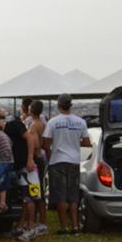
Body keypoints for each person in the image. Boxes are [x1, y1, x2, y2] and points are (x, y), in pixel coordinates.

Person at [42, 93, 91, 234]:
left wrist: (51, 155)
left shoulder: (53, 122)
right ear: (71, 105)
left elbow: (46, 143)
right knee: (73, 196)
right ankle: (75, 227)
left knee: (60, 196)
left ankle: (63, 227)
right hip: (74, 161)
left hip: (57, 160)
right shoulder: (80, 122)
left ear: (59, 105)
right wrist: (75, 141)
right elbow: (87, 142)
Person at [2, 114, 40, 239]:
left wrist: (30, 159)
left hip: (28, 167)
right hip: (20, 167)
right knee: (25, 198)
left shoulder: (13, 125)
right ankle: (21, 226)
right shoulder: (8, 129)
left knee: (30, 197)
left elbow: (30, 138)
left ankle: (31, 227)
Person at [27, 100, 48, 234]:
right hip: (42, 157)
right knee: (39, 189)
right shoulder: (43, 123)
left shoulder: (34, 125)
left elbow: (34, 144)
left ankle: (40, 221)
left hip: (36, 158)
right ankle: (41, 220)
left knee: (36, 190)